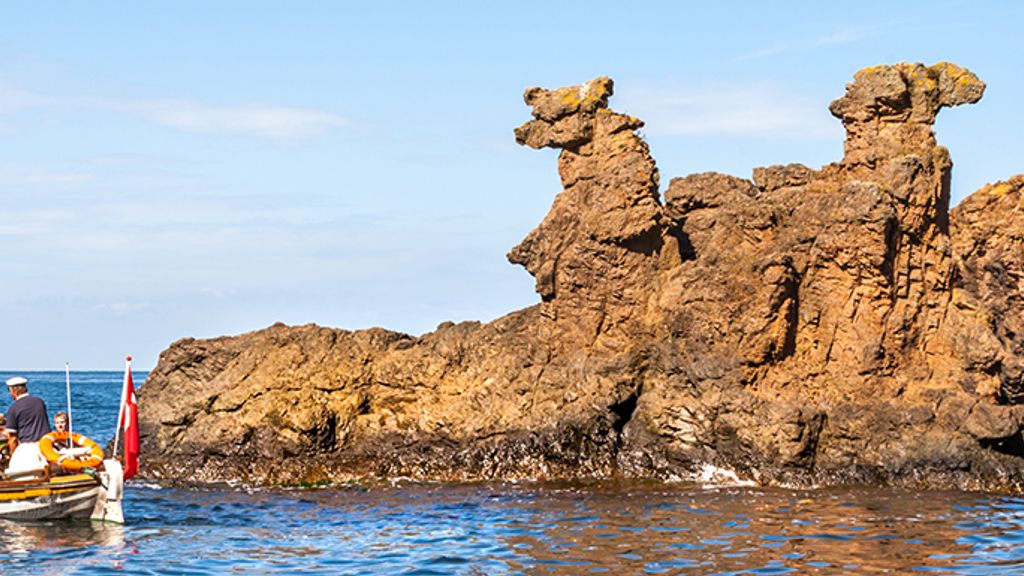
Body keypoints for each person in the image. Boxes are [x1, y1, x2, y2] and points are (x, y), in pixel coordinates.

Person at [5, 376, 51, 475]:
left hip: (28, 449)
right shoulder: (39, 402)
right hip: (46, 445)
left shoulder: (13, 409)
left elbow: (13, 439)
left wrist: (12, 455)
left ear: (13, 391)